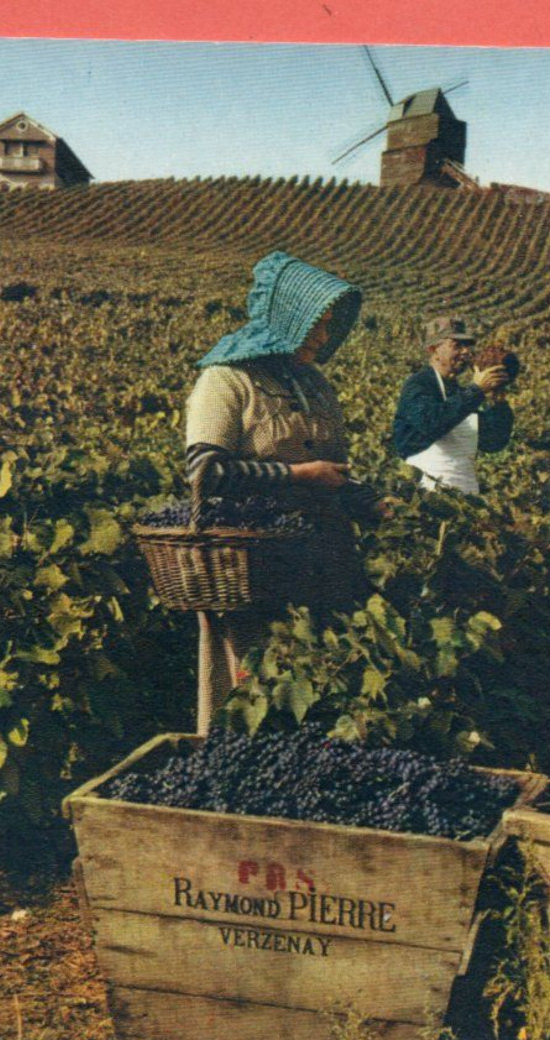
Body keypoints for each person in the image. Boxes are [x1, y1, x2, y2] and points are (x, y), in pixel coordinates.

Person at [186, 252, 385, 732]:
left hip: (325, 558)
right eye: (315, 324)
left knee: (323, 685)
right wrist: (298, 477)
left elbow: (332, 471)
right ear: (286, 320)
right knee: (255, 688)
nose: (322, 336)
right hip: (256, 564)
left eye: (328, 325)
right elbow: (203, 473)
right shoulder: (227, 380)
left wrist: (370, 501)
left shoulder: (315, 385)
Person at [392, 315, 513, 495]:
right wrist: (476, 391)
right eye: (457, 345)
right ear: (433, 349)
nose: (466, 352)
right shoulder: (418, 385)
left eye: (467, 346)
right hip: (425, 495)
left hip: (465, 494)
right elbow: (431, 422)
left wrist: (498, 401)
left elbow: (492, 443)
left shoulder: (460, 393)